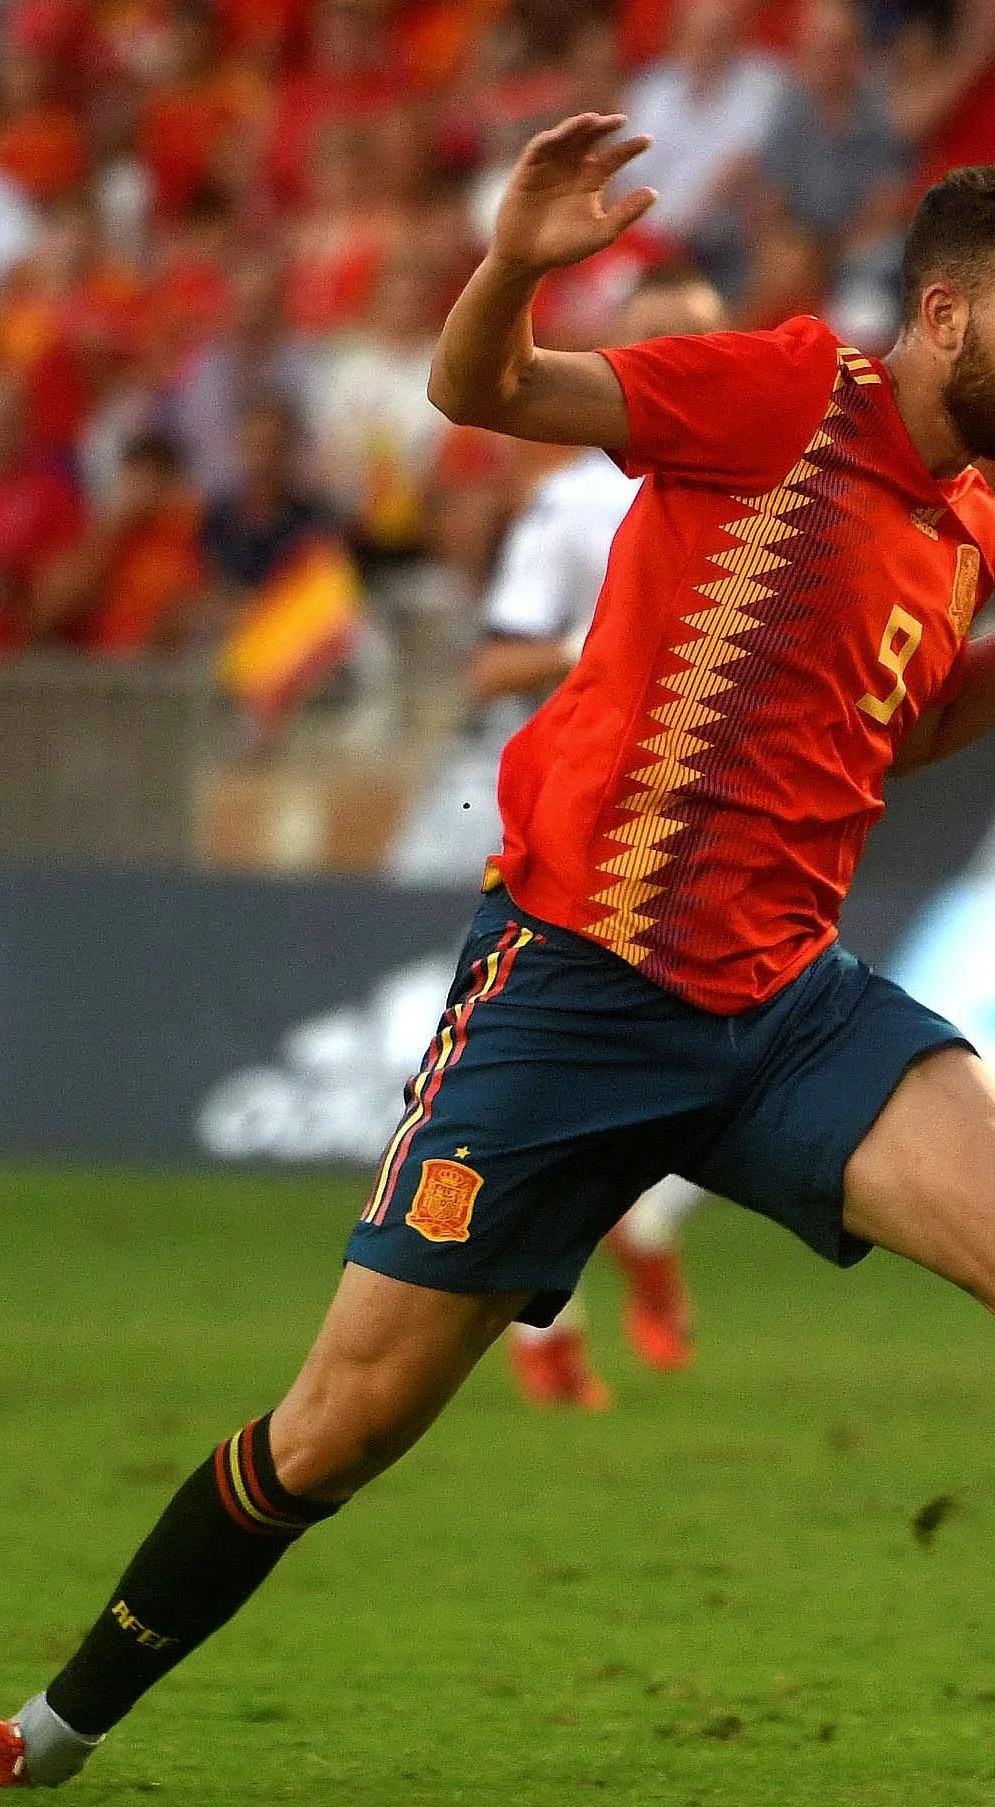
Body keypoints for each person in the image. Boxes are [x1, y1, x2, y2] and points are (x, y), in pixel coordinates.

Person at [0, 124, 995, 1807]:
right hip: (578, 983)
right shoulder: (784, 395)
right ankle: (32, 1743)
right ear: (939, 317)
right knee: (335, 1428)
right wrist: (512, 262)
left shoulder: (966, 518)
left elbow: (900, 729)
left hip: (778, 999)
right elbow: (487, 394)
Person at [386, 261, 738, 1408]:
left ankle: (642, 1232)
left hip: (717, 825)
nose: (677, 364)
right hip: (577, 824)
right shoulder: (575, 502)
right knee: (534, 1084)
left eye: (697, 341)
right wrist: (617, 642)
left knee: (728, 1078)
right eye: (652, 342)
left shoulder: (769, 488)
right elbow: (495, 660)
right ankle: (552, 1336)